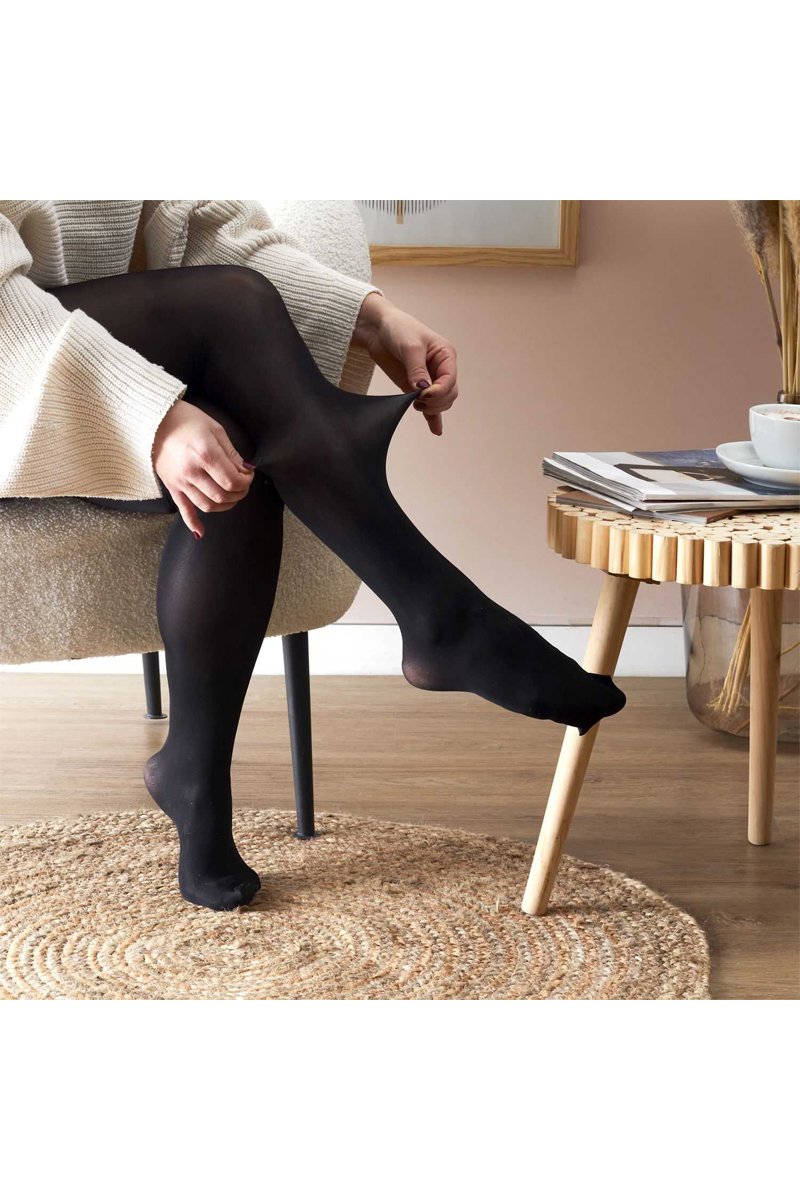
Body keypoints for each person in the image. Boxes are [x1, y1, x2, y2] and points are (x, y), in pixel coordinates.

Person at [0, 200, 626, 912]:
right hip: (13, 367)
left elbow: (198, 224)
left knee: (245, 439)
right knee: (231, 312)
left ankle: (195, 775)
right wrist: (150, 415)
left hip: (68, 346)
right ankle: (441, 618)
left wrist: (375, 321)